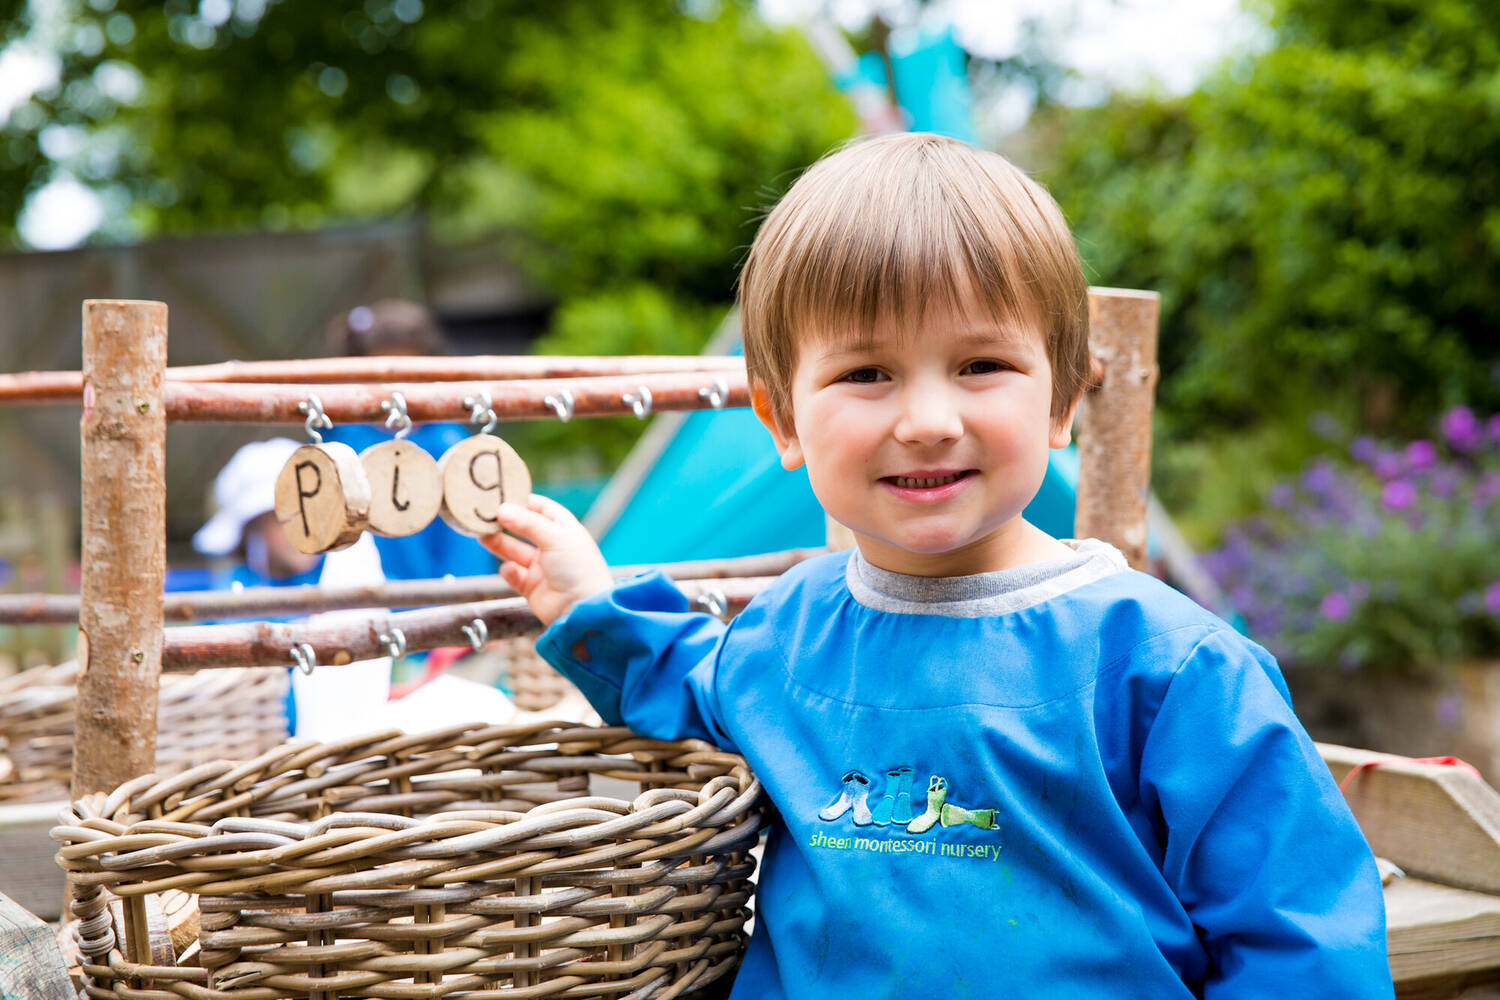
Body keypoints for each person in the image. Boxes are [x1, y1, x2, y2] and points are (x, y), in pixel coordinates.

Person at [481, 133, 1394, 997]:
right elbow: (691, 683)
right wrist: (589, 605)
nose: (925, 418)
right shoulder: (787, 632)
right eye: (866, 373)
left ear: (1063, 401)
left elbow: (1298, 936)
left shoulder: (1168, 666)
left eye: (981, 363)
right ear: (782, 421)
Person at [193, 438, 391, 740]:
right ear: (253, 527)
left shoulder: (344, 575)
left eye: (312, 512)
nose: (304, 527)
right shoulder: (229, 596)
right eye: (286, 517)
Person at [322, 300, 498, 581]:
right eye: (382, 377)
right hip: (363, 603)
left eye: (409, 376)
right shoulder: (344, 443)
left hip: (445, 600)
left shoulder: (450, 443)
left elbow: (469, 551)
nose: (397, 390)